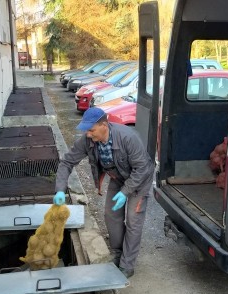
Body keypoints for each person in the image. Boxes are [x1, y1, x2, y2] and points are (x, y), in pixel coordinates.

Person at [53, 107, 154, 278]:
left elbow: (142, 167)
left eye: (91, 130)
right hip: (118, 177)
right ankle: (117, 251)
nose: (88, 135)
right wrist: (60, 190)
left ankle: (127, 264)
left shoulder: (128, 137)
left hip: (139, 180)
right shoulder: (88, 140)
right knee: (111, 214)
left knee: (133, 219)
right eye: (86, 130)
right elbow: (67, 162)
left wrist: (126, 191)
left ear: (104, 126)